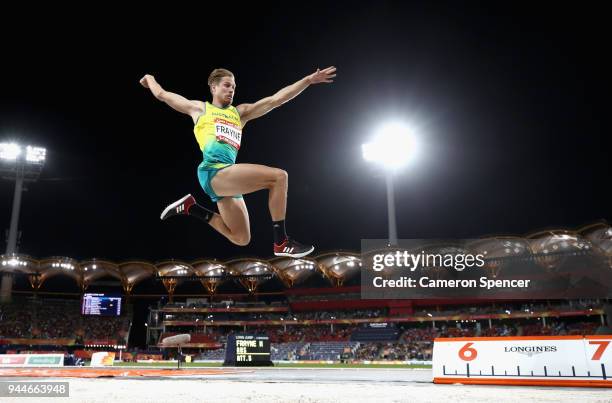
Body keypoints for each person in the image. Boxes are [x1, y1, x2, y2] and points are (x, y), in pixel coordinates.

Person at [140, 66, 336, 257]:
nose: (231, 90)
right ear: (213, 88)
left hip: (228, 177)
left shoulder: (240, 113)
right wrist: (149, 79)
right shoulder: (199, 109)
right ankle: (281, 242)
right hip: (213, 172)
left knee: (241, 238)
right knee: (278, 177)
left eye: (233, 87)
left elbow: (277, 100)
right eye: (226, 85)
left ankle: (192, 208)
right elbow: (163, 95)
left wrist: (308, 80)